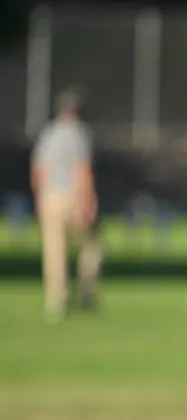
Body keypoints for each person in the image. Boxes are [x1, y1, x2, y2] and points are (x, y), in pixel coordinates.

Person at [30, 87, 101, 322]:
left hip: (49, 196)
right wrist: (88, 201)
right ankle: (87, 294)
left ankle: (56, 302)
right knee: (92, 246)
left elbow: (38, 170)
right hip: (71, 195)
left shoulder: (48, 133)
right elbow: (82, 169)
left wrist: (40, 197)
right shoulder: (79, 133)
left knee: (54, 251)